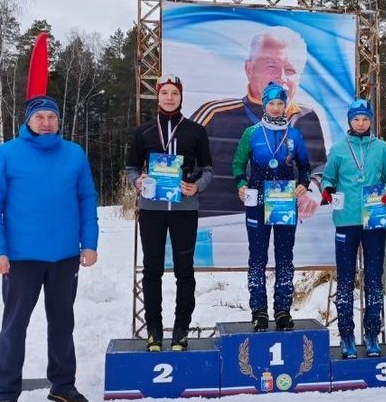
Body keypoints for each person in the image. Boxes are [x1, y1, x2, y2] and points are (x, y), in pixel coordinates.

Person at [0, 96, 99, 402]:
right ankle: (6, 393)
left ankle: (62, 384)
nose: (46, 122)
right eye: (40, 117)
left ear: (59, 121)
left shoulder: (74, 154)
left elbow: (87, 199)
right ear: (28, 120)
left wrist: (89, 243)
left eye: (51, 117)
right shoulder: (6, 154)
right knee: (15, 325)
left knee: (62, 322)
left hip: (64, 257)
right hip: (20, 258)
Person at [191, 26, 325, 217]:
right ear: (249, 69)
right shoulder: (214, 115)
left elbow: (321, 167)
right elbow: (181, 159)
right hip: (222, 232)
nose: (281, 78)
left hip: (282, 222)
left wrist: (313, 186)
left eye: (291, 70)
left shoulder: (306, 117)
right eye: (271, 66)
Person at [126, 74, 213, 352]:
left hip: (184, 210)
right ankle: (153, 331)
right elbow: (130, 168)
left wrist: (195, 187)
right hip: (152, 210)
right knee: (152, 271)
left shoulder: (195, 131)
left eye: (174, 93)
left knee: (184, 271)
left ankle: (180, 332)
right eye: (165, 93)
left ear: (181, 96)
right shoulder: (143, 132)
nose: (169, 98)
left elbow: (208, 171)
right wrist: (138, 181)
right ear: (158, 96)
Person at [320, 98, 386, 359]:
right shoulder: (339, 148)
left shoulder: (381, 147)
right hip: (346, 220)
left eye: (365, 119)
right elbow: (328, 177)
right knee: (345, 279)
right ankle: (346, 335)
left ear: (371, 121)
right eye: (357, 119)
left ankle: (372, 334)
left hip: (374, 220)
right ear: (350, 121)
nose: (361, 123)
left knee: (374, 279)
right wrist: (327, 189)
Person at [232, 82, 311, 331]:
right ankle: (258, 311)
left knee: (285, 258)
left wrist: (304, 184)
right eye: (271, 103)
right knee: (257, 257)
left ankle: (283, 310)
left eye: (280, 104)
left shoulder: (294, 135)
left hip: (285, 203)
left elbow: (306, 167)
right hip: (257, 203)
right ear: (264, 105)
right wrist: (241, 185)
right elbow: (237, 165)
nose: (276, 108)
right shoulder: (251, 133)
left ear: (285, 106)